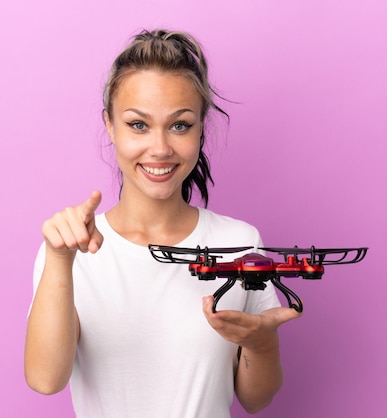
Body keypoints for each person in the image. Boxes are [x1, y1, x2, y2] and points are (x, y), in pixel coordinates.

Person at [24, 29, 301, 417]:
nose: (160, 148)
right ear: (110, 126)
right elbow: (45, 379)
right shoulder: (70, 249)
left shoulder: (239, 242)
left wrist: (263, 344)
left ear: (201, 127)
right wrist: (59, 259)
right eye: (138, 124)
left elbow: (256, 399)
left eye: (180, 125)